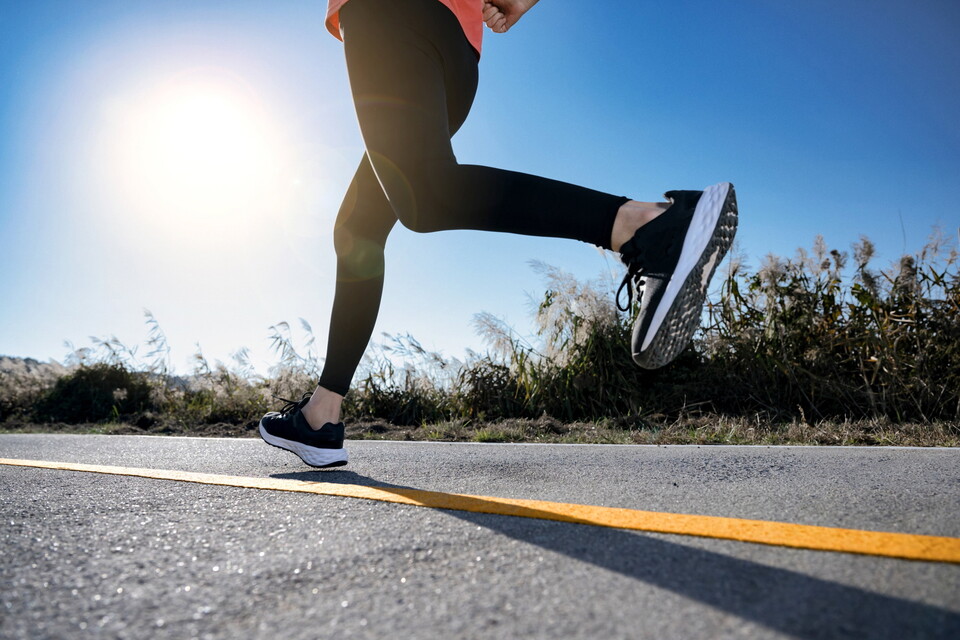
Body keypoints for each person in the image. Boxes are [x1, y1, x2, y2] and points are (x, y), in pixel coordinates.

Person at [258, 0, 738, 468]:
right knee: (357, 230)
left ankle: (642, 224)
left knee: (424, 196)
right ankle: (321, 416)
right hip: (454, 51)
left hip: (391, 18)